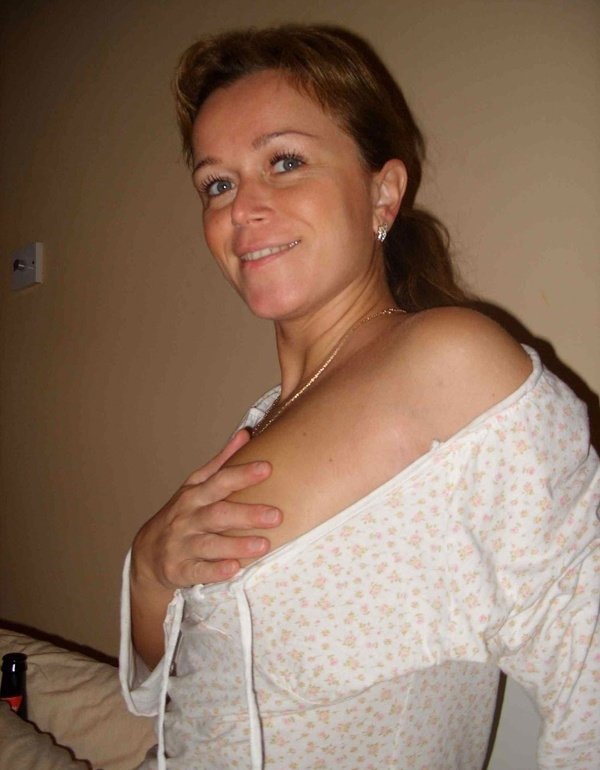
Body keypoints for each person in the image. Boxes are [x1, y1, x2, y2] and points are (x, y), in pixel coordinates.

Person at [119, 24, 600, 770]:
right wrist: (151, 572)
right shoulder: (265, 418)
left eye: (284, 162)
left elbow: (589, 668)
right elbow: (180, 688)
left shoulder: (449, 363)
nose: (241, 208)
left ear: (383, 192)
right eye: (217, 183)